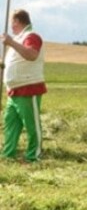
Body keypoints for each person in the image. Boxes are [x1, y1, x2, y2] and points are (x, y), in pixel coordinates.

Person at [1, 9, 47, 163]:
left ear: (17, 21)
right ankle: (8, 154)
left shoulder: (31, 36)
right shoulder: (18, 39)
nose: (10, 26)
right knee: (10, 123)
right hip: (14, 90)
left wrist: (11, 43)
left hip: (28, 87)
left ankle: (34, 155)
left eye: (12, 22)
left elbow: (32, 55)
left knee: (31, 124)